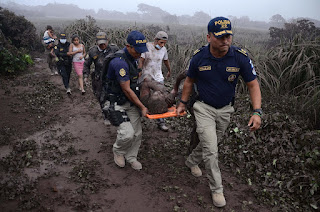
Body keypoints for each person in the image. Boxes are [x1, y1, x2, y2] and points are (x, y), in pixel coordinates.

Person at [176, 17, 262, 208]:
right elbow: (189, 81)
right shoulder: (199, 56)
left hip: (225, 110)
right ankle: (217, 190)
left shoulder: (240, 56)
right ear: (209, 37)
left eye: (228, 36)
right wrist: (182, 103)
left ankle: (191, 161)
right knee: (212, 150)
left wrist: (257, 111)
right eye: (221, 37)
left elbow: (253, 84)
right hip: (203, 107)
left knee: (212, 143)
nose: (225, 41)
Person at [101, 31, 149, 171]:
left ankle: (131, 157)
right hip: (116, 103)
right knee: (127, 133)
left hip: (130, 102)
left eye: (142, 51)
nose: (140, 54)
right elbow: (127, 89)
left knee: (137, 133)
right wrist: (142, 107)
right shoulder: (119, 63)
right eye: (137, 51)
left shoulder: (134, 58)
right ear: (128, 46)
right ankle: (118, 151)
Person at [138, 31, 172, 132]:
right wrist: (139, 75)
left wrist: (169, 70)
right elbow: (141, 61)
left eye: (164, 43)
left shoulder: (164, 50)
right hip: (146, 77)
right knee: (143, 97)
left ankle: (161, 122)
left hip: (158, 77)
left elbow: (166, 60)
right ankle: (139, 118)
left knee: (161, 99)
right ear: (155, 40)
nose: (162, 45)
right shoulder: (146, 47)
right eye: (161, 42)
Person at [83, 32, 119, 104]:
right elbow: (86, 64)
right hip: (99, 79)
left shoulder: (114, 49)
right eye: (100, 43)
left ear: (107, 40)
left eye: (104, 43)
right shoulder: (93, 51)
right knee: (101, 98)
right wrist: (86, 76)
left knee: (114, 98)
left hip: (112, 78)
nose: (102, 45)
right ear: (96, 42)